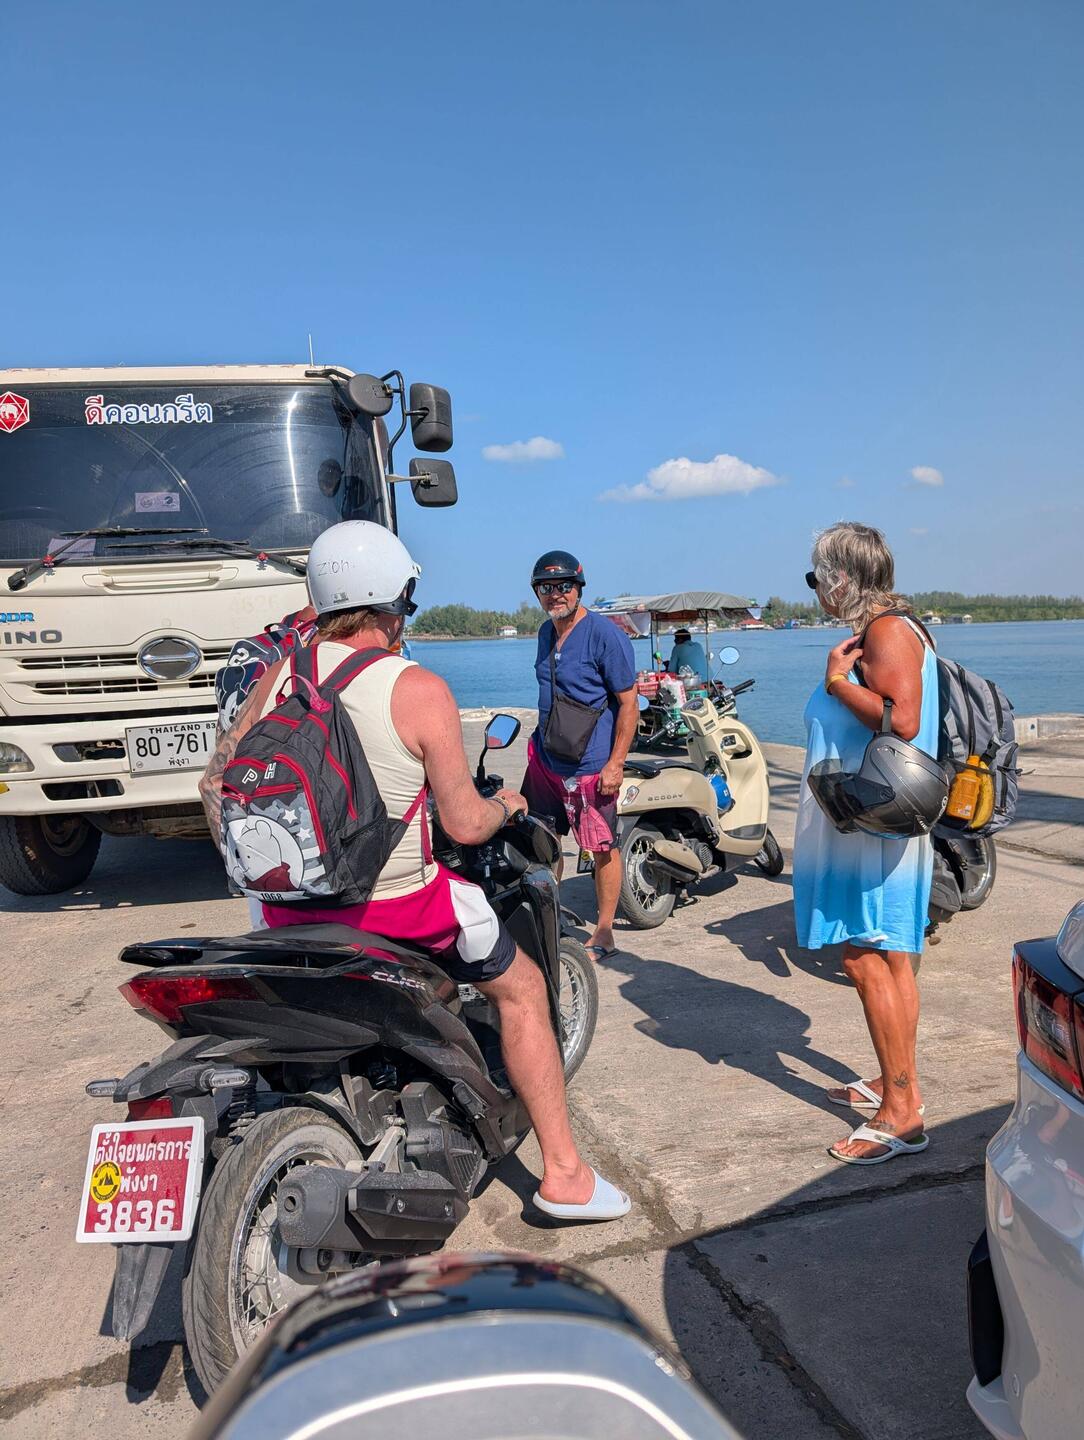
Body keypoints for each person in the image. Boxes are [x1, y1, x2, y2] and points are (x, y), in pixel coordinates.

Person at [201, 521, 630, 1222]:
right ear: (390, 603)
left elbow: (215, 785)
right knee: (522, 989)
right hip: (399, 908)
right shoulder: (416, 687)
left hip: (285, 913)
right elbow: (462, 824)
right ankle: (565, 1176)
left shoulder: (281, 673)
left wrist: (259, 878)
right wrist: (509, 802)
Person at [793, 522, 938, 1166]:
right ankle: (894, 1081)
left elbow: (901, 718)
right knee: (892, 955)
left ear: (841, 579)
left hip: (871, 825)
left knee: (863, 957)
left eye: (815, 577)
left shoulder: (885, 631)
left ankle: (902, 1114)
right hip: (871, 819)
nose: (815, 590)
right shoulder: (886, 629)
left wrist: (835, 683)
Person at [522, 550, 637, 963]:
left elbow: (628, 703)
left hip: (590, 766)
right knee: (542, 841)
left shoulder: (606, 635)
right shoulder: (544, 633)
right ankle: (550, 920)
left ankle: (604, 931)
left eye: (564, 586)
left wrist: (616, 763)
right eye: (546, 588)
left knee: (601, 847)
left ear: (579, 588)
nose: (556, 594)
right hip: (547, 761)